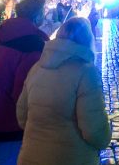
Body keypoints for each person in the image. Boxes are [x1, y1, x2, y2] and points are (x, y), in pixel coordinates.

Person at [17, 17, 111, 165]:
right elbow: (94, 129)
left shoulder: (37, 68)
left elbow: (22, 116)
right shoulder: (86, 72)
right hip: (70, 157)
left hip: (30, 156)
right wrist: (104, 140)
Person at [0, 0, 48, 165]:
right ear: (37, 16)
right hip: (11, 126)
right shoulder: (32, 45)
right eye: (43, 13)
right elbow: (23, 92)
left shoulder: (4, 38)